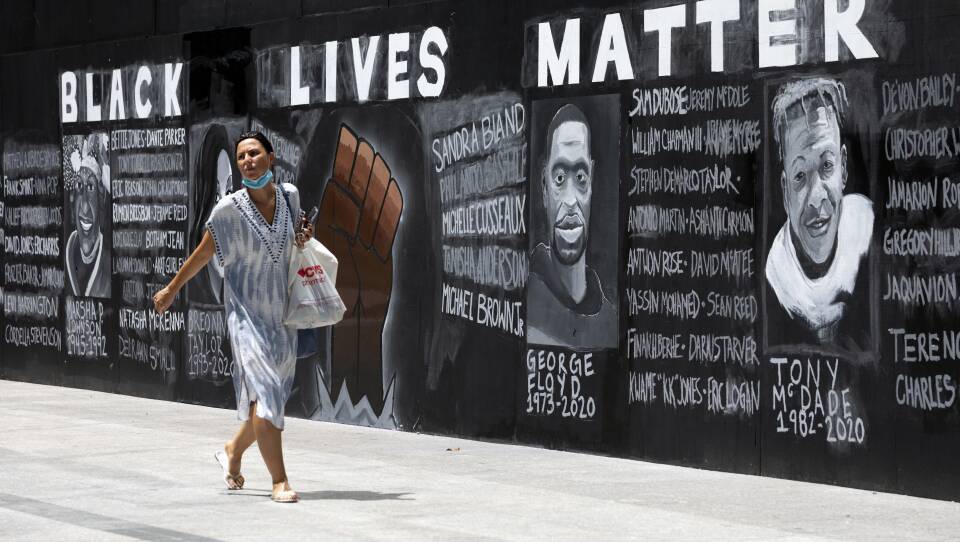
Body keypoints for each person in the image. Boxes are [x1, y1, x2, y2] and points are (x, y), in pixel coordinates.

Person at [153, 130, 313, 503]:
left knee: (266, 401)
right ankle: (279, 481)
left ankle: (232, 451)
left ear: (270, 158)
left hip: (283, 317)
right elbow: (203, 253)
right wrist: (172, 288)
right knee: (269, 397)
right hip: (246, 319)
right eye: (241, 156)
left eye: (254, 153)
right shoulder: (228, 210)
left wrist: (305, 235)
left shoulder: (289, 197)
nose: (247, 161)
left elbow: (297, 240)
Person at [765, 77, 874, 347]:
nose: (816, 197)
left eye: (827, 165)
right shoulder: (777, 278)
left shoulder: (866, 228)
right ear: (785, 192)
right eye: (800, 176)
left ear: (844, 168)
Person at [527, 104, 616, 349]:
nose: (569, 200)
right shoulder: (523, 303)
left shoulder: (610, 322)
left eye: (580, 178)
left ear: (592, 183)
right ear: (544, 188)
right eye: (558, 179)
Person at [65, 133, 111, 298]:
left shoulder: (108, 263)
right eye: (79, 185)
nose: (84, 206)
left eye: (90, 187)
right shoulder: (67, 253)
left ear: (102, 199)